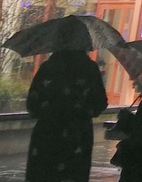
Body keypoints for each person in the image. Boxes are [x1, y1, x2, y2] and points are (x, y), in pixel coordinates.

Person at [25, 47, 108, 182]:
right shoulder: (89, 69)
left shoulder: (48, 67)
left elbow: (32, 105)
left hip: (47, 134)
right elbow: (99, 104)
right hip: (78, 135)